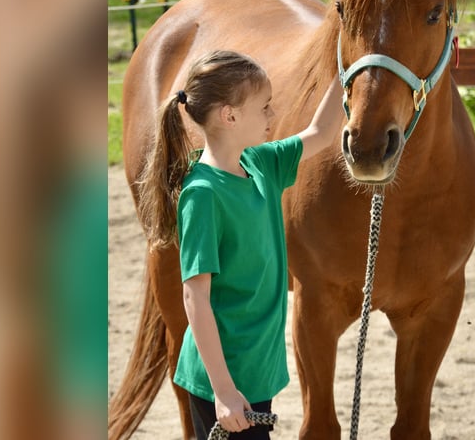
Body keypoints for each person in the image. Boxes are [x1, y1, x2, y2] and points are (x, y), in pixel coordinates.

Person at [136, 49, 345, 439]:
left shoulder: (261, 164)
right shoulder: (203, 195)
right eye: (264, 107)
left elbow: (321, 133)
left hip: (253, 371)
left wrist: (346, 65)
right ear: (229, 116)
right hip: (224, 379)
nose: (272, 116)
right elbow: (194, 297)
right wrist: (224, 392)